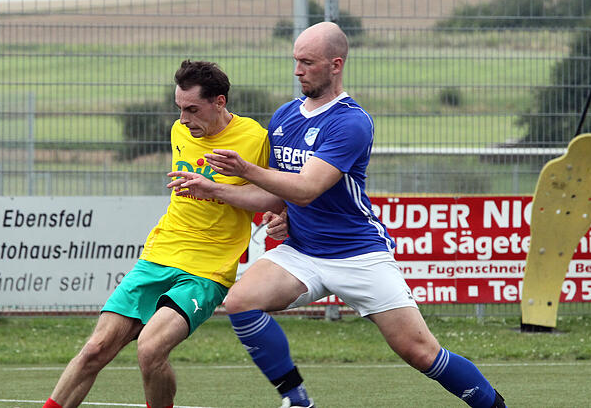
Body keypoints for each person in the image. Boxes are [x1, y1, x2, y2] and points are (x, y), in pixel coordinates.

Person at [168, 22, 506, 408]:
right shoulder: (283, 117)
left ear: (335, 64)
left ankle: (494, 405)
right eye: (295, 61)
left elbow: (308, 187)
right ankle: (297, 400)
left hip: (358, 253)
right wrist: (277, 211)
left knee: (420, 352)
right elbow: (279, 190)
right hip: (303, 252)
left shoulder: (351, 122)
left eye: (307, 62)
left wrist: (244, 169)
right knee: (242, 300)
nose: (297, 71)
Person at [43, 60, 286, 408]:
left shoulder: (255, 139)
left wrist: (277, 213)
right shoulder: (180, 132)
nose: (184, 119)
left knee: (151, 348)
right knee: (95, 349)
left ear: (219, 102)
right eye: (179, 109)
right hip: (159, 255)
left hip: (206, 271)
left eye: (192, 109)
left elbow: (276, 195)